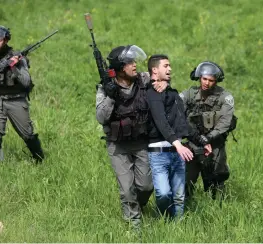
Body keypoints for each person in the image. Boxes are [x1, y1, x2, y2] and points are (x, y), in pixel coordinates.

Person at [96, 45, 168, 228]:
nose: (134, 65)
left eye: (135, 61)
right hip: (118, 146)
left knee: (146, 186)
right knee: (127, 189)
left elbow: (162, 78)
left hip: (141, 142)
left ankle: (138, 206)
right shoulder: (105, 88)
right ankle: (134, 226)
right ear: (120, 68)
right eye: (129, 62)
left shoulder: (143, 79)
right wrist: (111, 96)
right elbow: (101, 117)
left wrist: (164, 83)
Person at [146, 54, 208, 219]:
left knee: (179, 197)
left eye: (169, 65)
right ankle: (163, 220)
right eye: (165, 66)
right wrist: (178, 144)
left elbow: (183, 123)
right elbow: (161, 121)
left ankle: (177, 229)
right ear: (154, 70)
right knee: (164, 194)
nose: (170, 69)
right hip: (158, 153)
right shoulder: (151, 94)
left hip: (177, 153)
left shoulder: (172, 94)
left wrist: (201, 141)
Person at [0, 25, 44, 162]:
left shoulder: (18, 58)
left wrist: (13, 67)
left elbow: (26, 82)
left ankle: (40, 160)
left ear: (6, 40)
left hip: (16, 100)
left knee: (28, 135)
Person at [180, 61, 235, 200]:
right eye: (204, 79)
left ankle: (219, 208)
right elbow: (177, 112)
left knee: (217, 178)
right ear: (199, 77)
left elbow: (225, 121)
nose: (206, 83)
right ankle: (186, 207)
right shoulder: (189, 94)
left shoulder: (224, 97)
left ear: (216, 81)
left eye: (211, 80)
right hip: (193, 143)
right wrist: (196, 137)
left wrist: (209, 138)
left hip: (215, 144)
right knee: (187, 179)